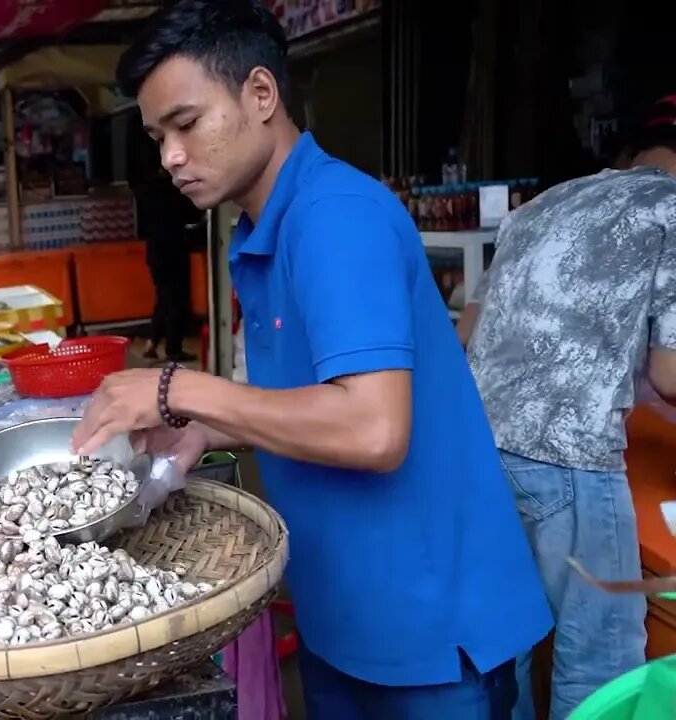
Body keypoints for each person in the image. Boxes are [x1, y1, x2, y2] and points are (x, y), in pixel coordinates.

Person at [67, 2, 551, 717]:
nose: (169, 155)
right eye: (156, 135)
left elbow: (372, 431)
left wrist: (183, 390)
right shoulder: (267, 227)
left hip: (429, 627)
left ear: (261, 96)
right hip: (345, 614)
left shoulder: (334, 217)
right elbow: (312, 400)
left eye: (187, 124)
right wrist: (211, 426)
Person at [462, 122, 676, 719]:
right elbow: (671, 376)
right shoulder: (671, 206)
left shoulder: (543, 206)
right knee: (601, 660)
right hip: (568, 456)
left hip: (482, 448)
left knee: (514, 646)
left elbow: (467, 331)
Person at [130, 162, 200, 362]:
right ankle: (173, 348)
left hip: (155, 251)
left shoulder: (148, 190)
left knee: (163, 297)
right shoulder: (175, 191)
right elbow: (191, 214)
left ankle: (152, 341)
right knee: (176, 299)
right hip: (174, 250)